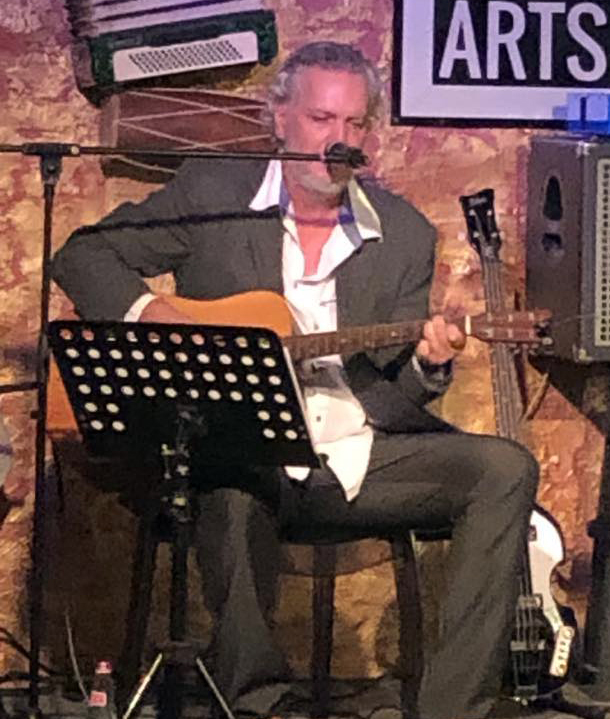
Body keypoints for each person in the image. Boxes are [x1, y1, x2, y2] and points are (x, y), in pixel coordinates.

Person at [53, 41, 538, 719]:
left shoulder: (403, 234)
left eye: (354, 123)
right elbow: (83, 257)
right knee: (228, 494)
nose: (339, 140)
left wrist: (428, 364)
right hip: (241, 457)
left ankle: (452, 709)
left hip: (355, 460)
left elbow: (393, 397)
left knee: (504, 468)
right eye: (321, 118)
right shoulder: (214, 197)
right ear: (279, 118)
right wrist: (155, 315)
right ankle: (257, 703)